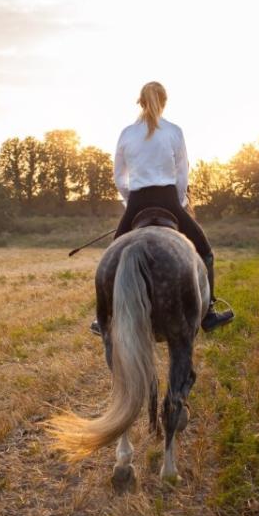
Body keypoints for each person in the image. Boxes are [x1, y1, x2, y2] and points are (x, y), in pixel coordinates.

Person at [90, 81, 234, 335]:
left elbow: (118, 177)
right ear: (164, 102)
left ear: (141, 102)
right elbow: (182, 175)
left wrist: (129, 201)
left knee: (111, 258)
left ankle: (106, 318)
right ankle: (209, 311)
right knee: (206, 253)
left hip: (136, 201)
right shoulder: (174, 131)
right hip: (168, 198)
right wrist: (179, 203)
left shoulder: (126, 133)